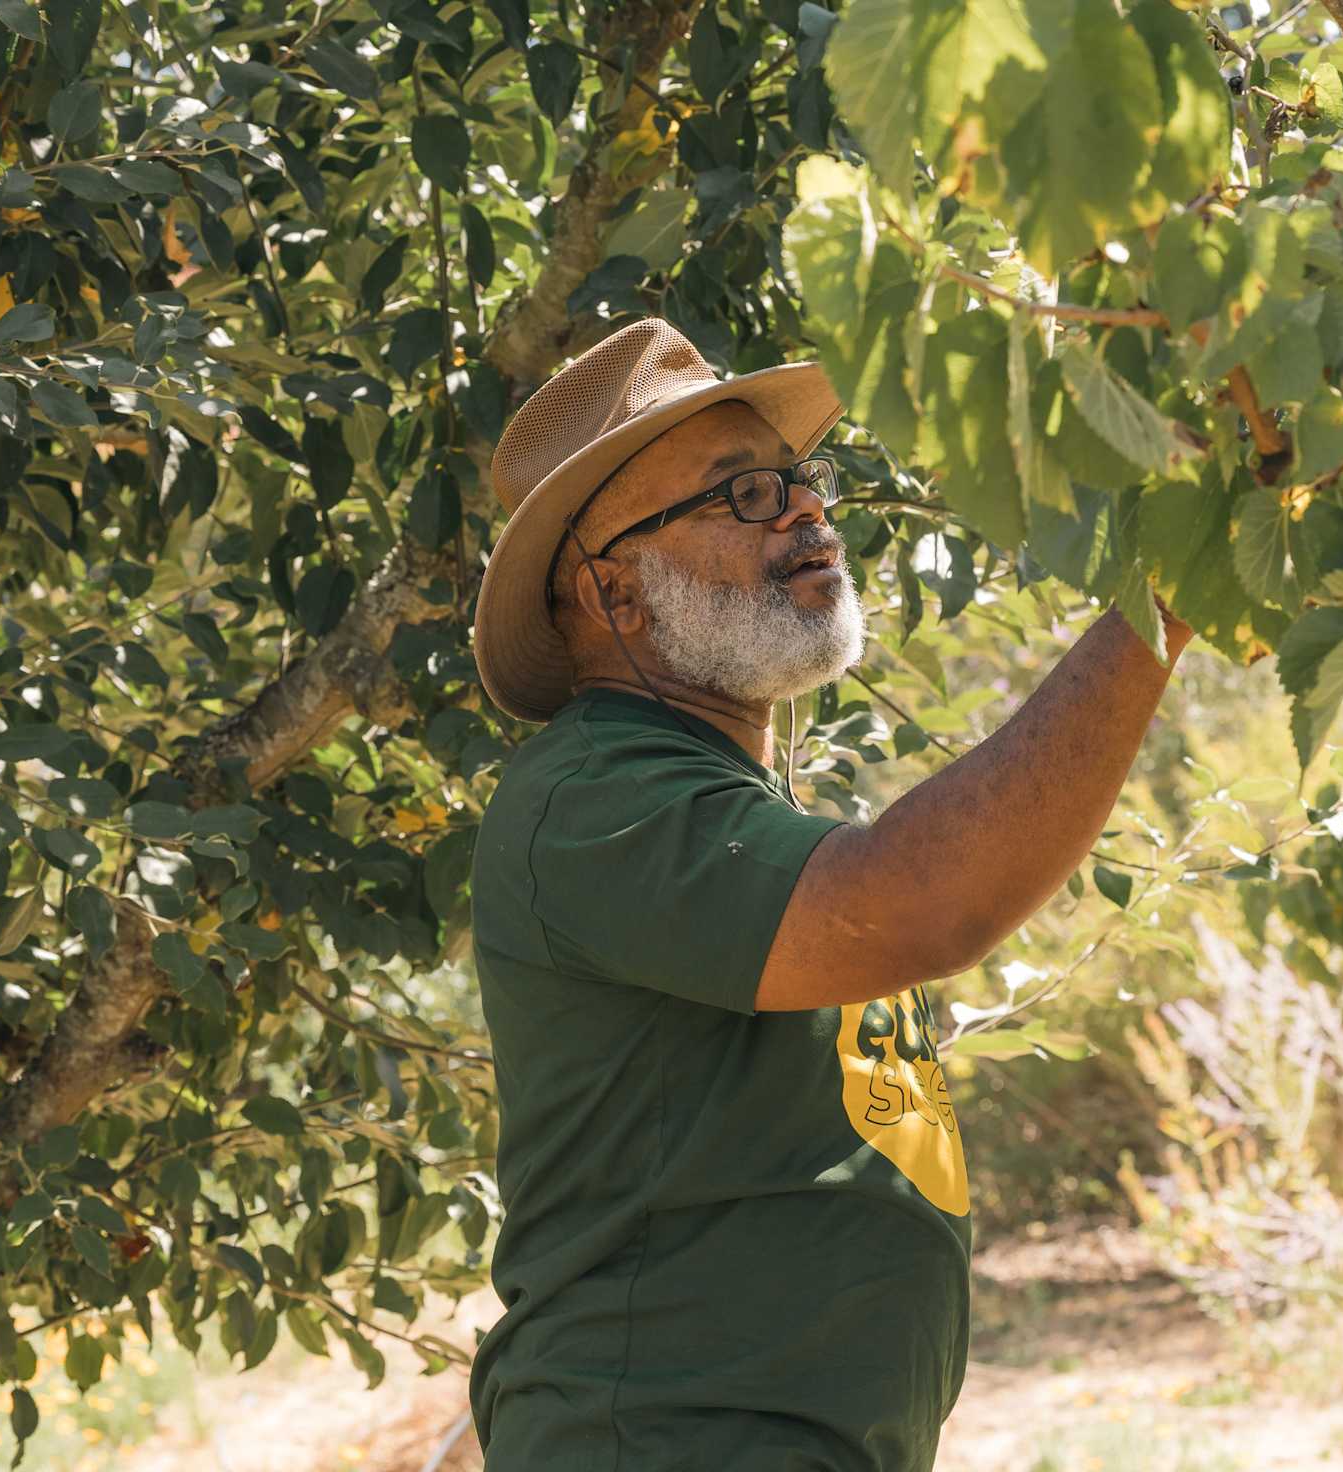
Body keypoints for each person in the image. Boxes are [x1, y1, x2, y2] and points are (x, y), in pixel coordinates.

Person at [464, 318, 1192, 1470]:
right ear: (616, 593)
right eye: (740, 493)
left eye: (799, 477)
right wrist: (1170, 592)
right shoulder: (593, 796)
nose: (804, 509)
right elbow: (917, 905)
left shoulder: (724, 799)